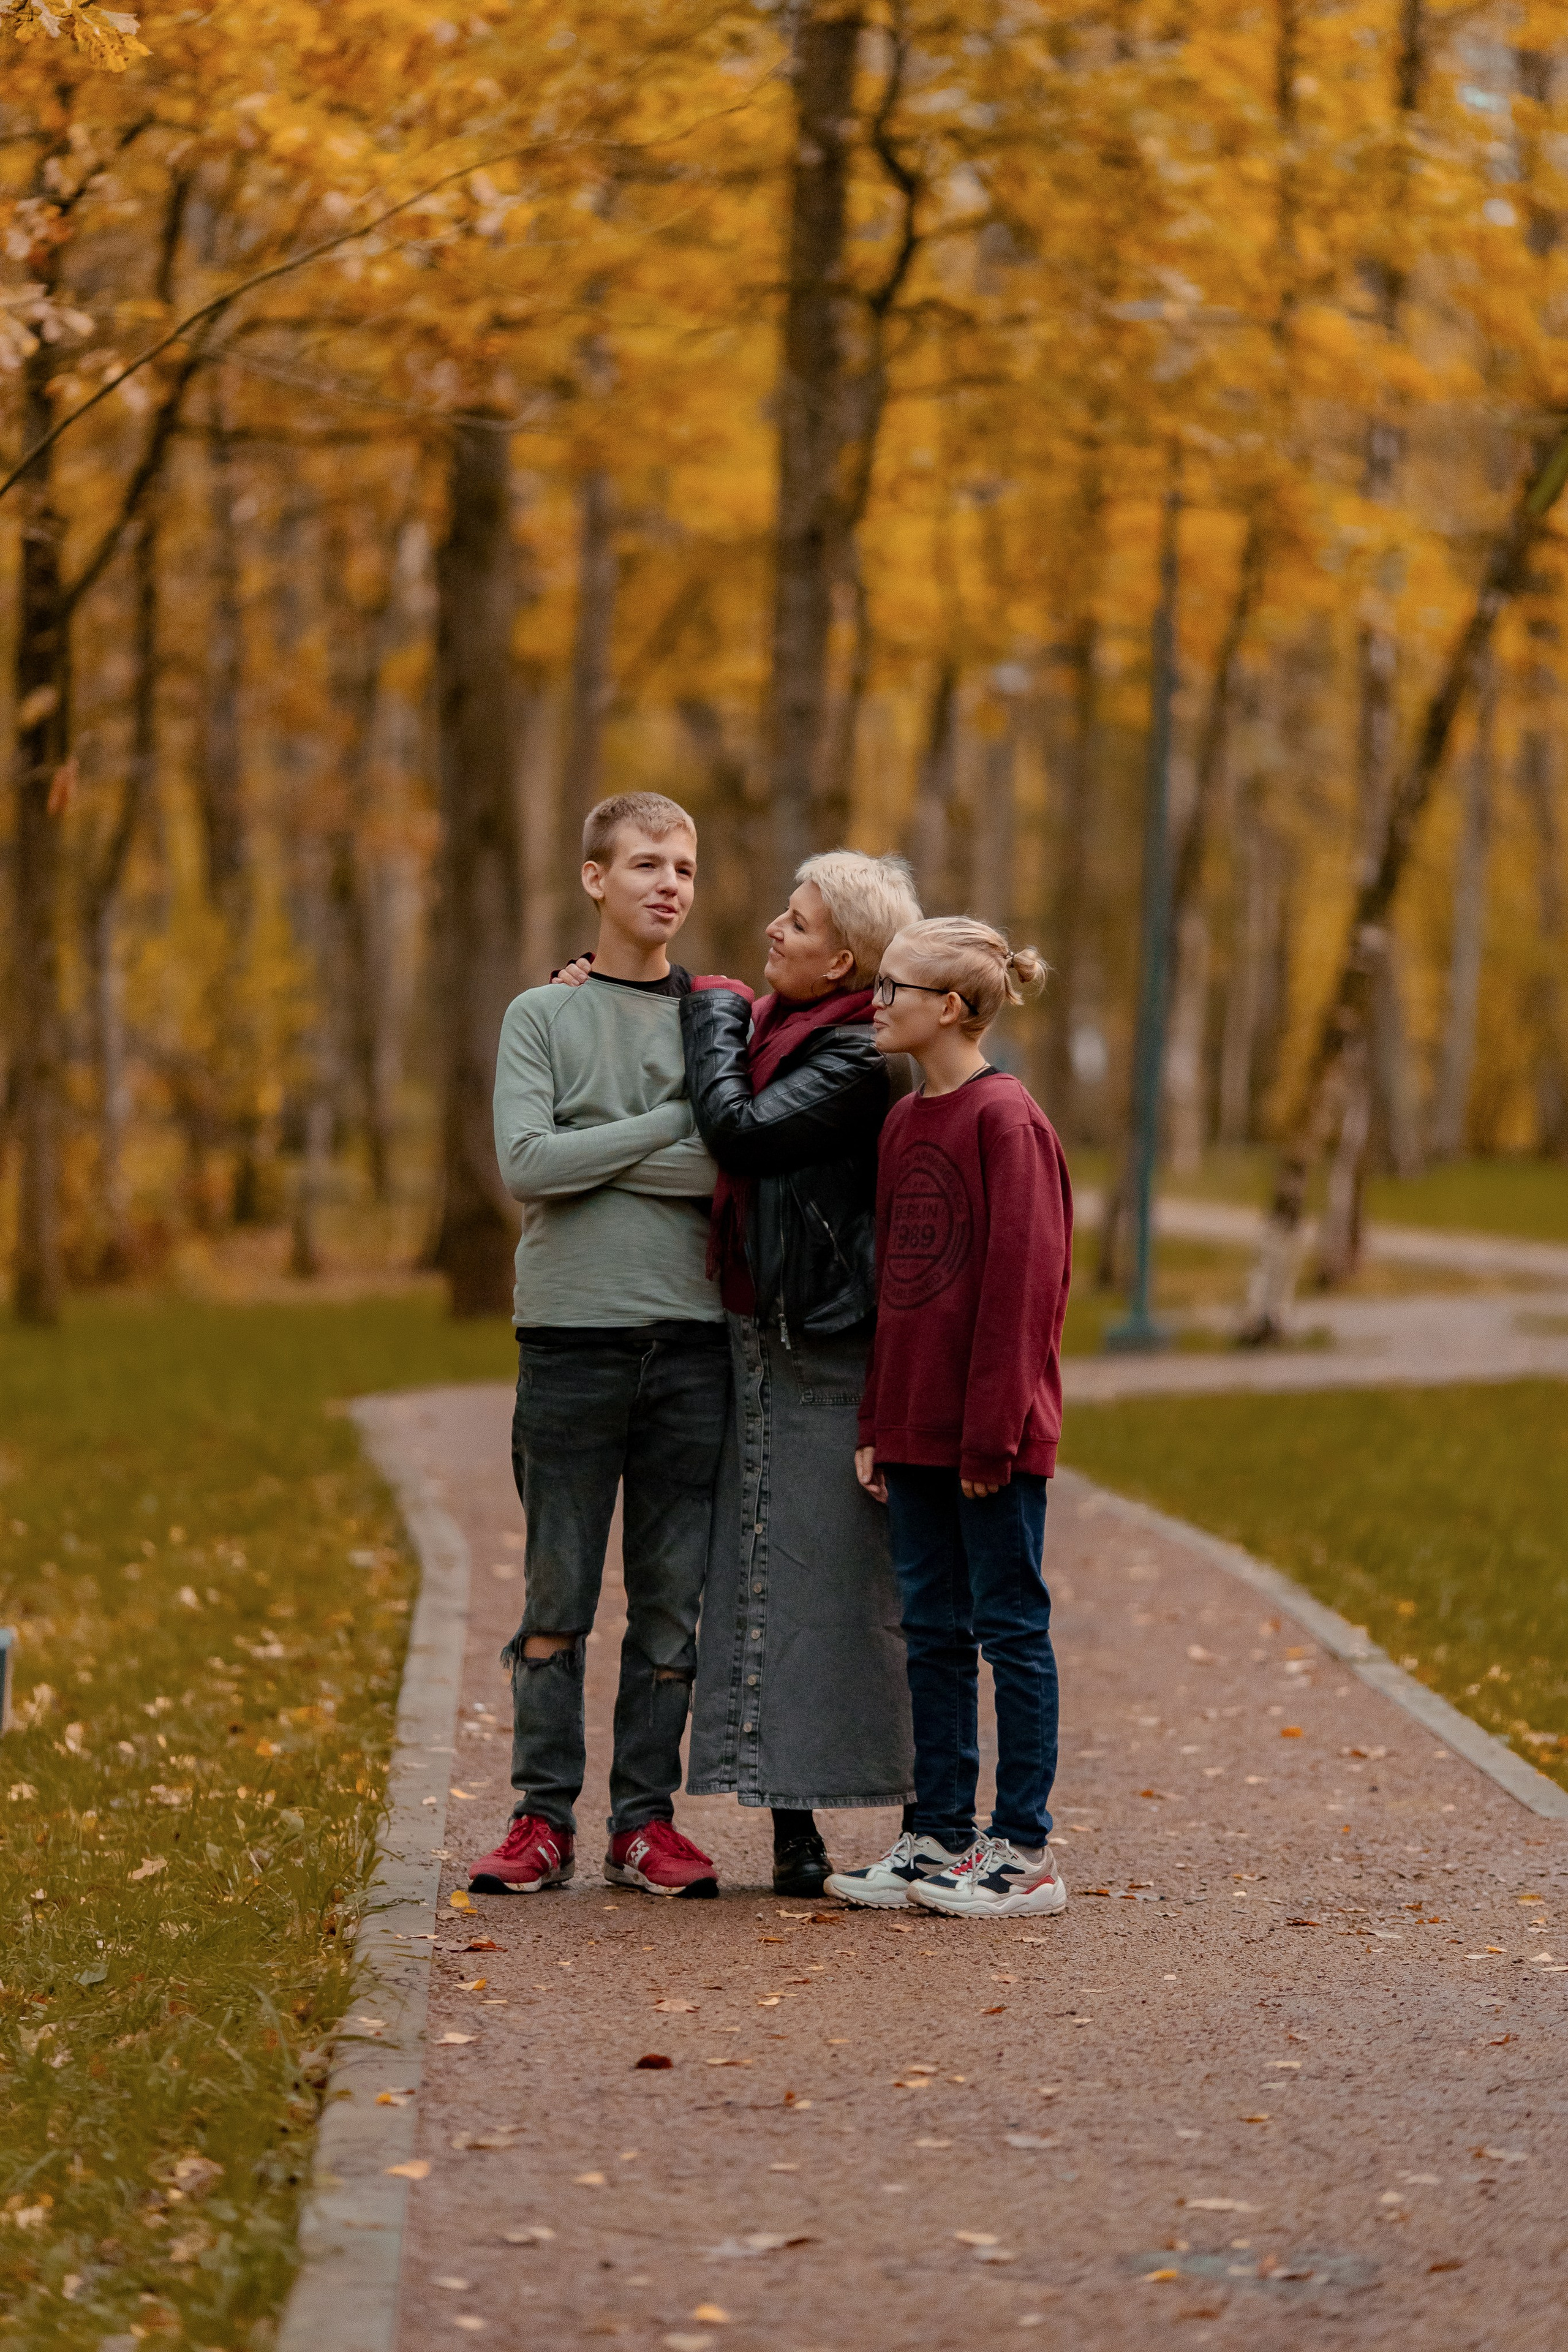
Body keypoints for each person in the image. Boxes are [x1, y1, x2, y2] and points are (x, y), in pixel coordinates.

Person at [467, 792, 730, 1901]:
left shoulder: (722, 1022)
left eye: (683, 866)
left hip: (692, 1344)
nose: (667, 883)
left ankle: (642, 1824)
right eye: (643, 865)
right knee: (556, 1599)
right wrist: (674, 1124)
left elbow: (729, 1171)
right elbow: (526, 1166)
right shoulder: (541, 1014)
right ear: (593, 879)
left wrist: (598, 1148)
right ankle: (540, 1820)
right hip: (571, 1341)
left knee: (671, 1604)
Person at [679, 853, 924, 1896]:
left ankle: (924, 1817)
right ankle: (792, 1829)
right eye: (782, 911)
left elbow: (736, 1129)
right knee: (756, 1577)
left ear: (848, 962)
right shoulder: (786, 1028)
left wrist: (712, 1017)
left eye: (799, 921)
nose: (773, 930)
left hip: (823, 1343)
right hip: (754, 1334)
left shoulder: (856, 1060)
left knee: (841, 1585)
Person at [826, 916, 1074, 1920]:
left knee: (1009, 1628)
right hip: (919, 1432)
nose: (875, 1003)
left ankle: (1023, 1851)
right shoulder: (901, 1123)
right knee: (929, 1630)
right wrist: (878, 1420)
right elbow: (901, 1289)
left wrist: (990, 1436)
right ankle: (938, 1834)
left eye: (893, 988)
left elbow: (1023, 1292)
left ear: (953, 1009)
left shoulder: (1005, 1121)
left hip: (991, 1440)